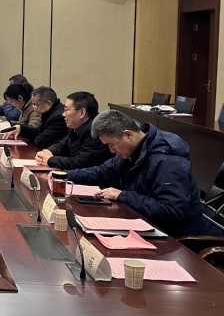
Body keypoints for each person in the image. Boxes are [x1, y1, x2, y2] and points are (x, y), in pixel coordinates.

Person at [65, 110, 219, 237]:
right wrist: (63, 176)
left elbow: (172, 211)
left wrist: (123, 195)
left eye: (111, 145)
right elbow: (101, 172)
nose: (111, 151)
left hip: (176, 239)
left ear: (128, 135)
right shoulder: (133, 151)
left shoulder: (168, 162)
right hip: (144, 225)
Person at [35, 91, 110, 170]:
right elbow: (61, 145)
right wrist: (47, 152)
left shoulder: (95, 131)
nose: (63, 114)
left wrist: (50, 160)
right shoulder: (76, 127)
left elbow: (80, 163)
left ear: (82, 113)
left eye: (66, 110)